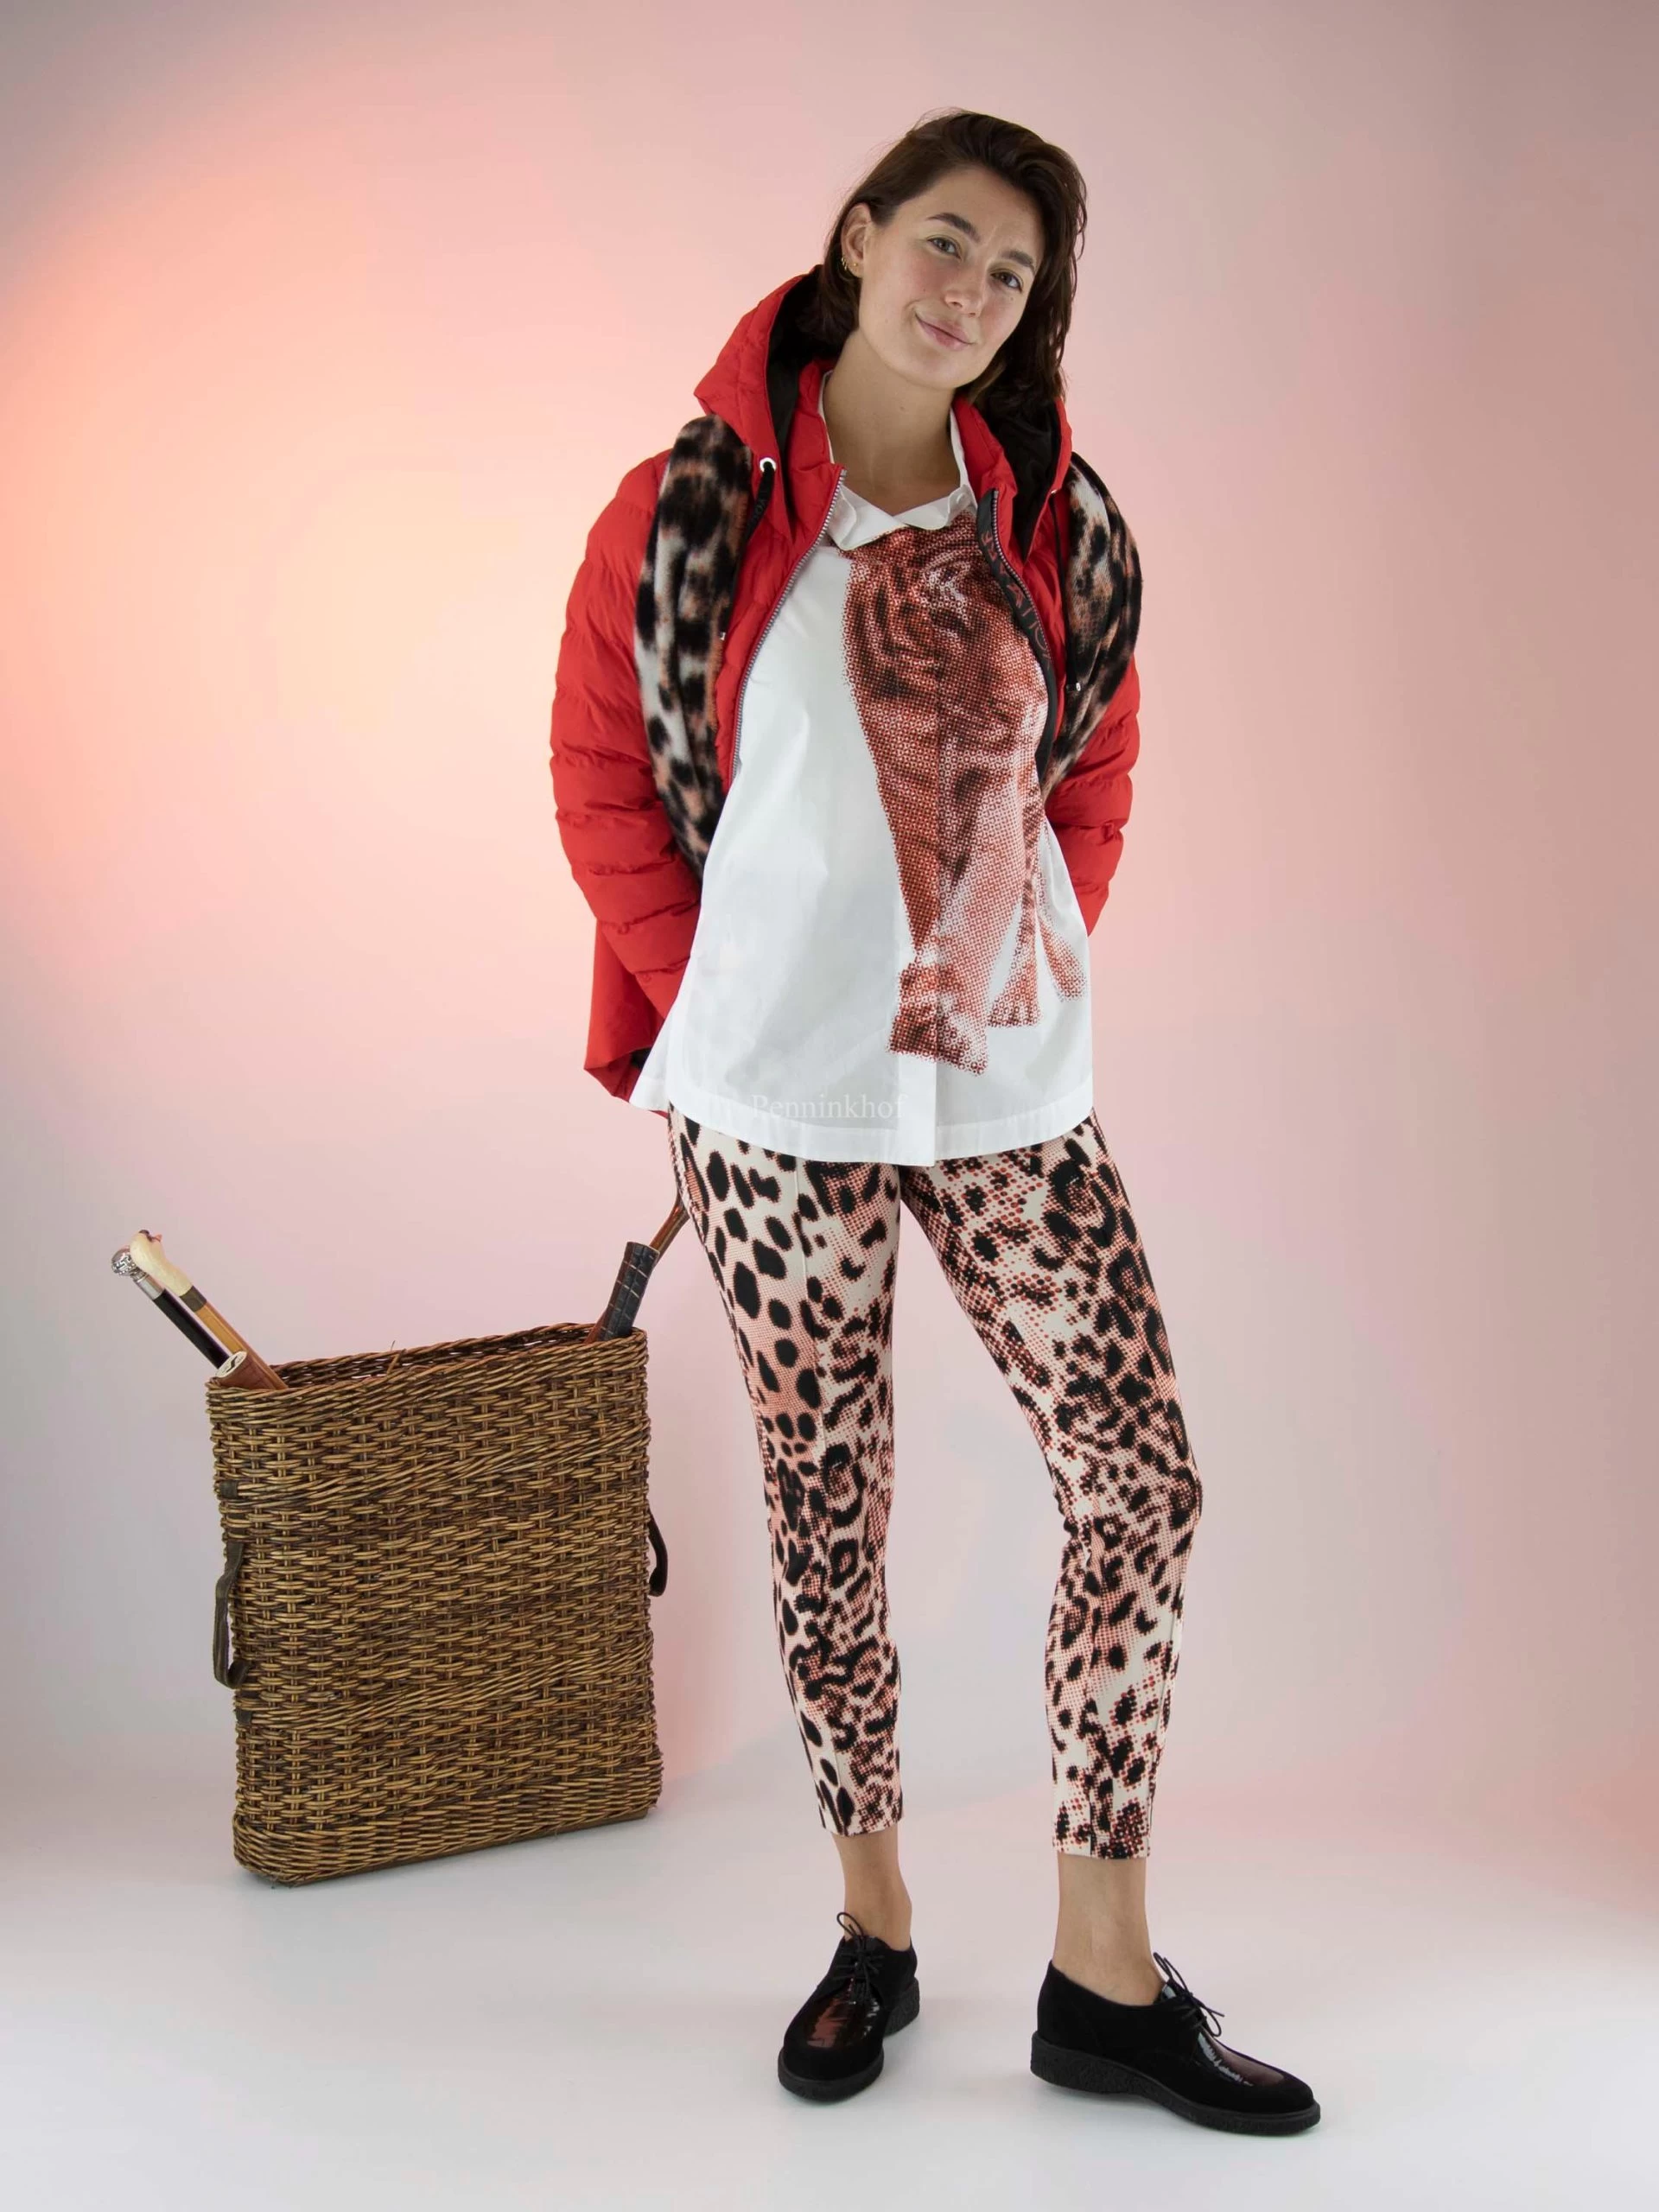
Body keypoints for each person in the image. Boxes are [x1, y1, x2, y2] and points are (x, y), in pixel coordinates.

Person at [549, 106, 1318, 2136]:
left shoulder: (1056, 517)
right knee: (829, 1504)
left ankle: (1104, 1973)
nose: (971, 291)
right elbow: (602, 771)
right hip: (771, 1102)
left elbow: (1097, 769)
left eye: (1014, 273)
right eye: (949, 242)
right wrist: (724, 1005)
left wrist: (1007, 966)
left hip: (995, 1084)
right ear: (863, 233)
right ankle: (873, 1927)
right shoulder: (688, 504)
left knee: (1141, 1479)